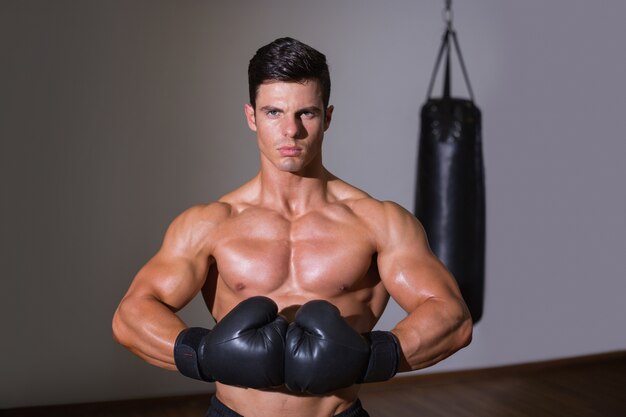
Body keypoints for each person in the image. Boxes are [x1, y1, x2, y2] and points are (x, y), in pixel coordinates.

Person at [112, 37, 472, 417]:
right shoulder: (210, 223)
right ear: (251, 116)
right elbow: (131, 315)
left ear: (327, 117)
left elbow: (452, 317)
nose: (291, 131)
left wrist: (370, 358)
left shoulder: (379, 222)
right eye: (273, 112)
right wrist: (202, 354)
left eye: (307, 113)